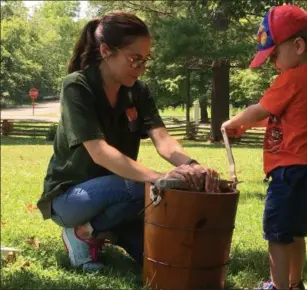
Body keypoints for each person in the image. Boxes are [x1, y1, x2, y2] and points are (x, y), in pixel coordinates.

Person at [37, 11, 220, 273]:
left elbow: (163, 140)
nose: (142, 68)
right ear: (106, 50)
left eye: (146, 60)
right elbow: (99, 153)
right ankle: (81, 232)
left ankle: (97, 232)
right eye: (135, 59)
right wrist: (158, 177)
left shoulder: (138, 91)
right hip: (70, 197)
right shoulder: (77, 86)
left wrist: (192, 166)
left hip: (120, 192)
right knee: (144, 187)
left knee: (159, 259)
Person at [221, 5, 307, 290]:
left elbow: (258, 109)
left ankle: (278, 286)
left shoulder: (291, 78)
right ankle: (294, 284)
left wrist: (232, 122)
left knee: (277, 234)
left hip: (292, 171)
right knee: (295, 232)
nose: (272, 63)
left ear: (297, 45)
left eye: (273, 55)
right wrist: (246, 127)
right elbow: (285, 118)